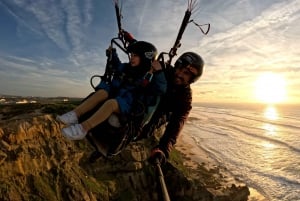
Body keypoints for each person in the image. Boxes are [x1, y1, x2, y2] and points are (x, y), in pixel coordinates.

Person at [57, 41, 167, 140]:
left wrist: (158, 72)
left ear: (145, 58)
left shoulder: (148, 77)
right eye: (132, 55)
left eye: (136, 56)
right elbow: (117, 65)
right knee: (102, 92)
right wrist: (113, 54)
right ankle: (75, 115)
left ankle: (82, 129)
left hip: (129, 105)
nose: (132, 58)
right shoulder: (126, 67)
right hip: (117, 95)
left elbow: (160, 89)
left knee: (111, 103)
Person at [145, 52, 204, 165]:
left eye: (186, 73)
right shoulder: (165, 71)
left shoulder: (185, 97)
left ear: (192, 79)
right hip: (142, 104)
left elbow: (177, 123)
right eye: (179, 69)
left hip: (155, 117)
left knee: (145, 130)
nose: (180, 74)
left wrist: (163, 149)